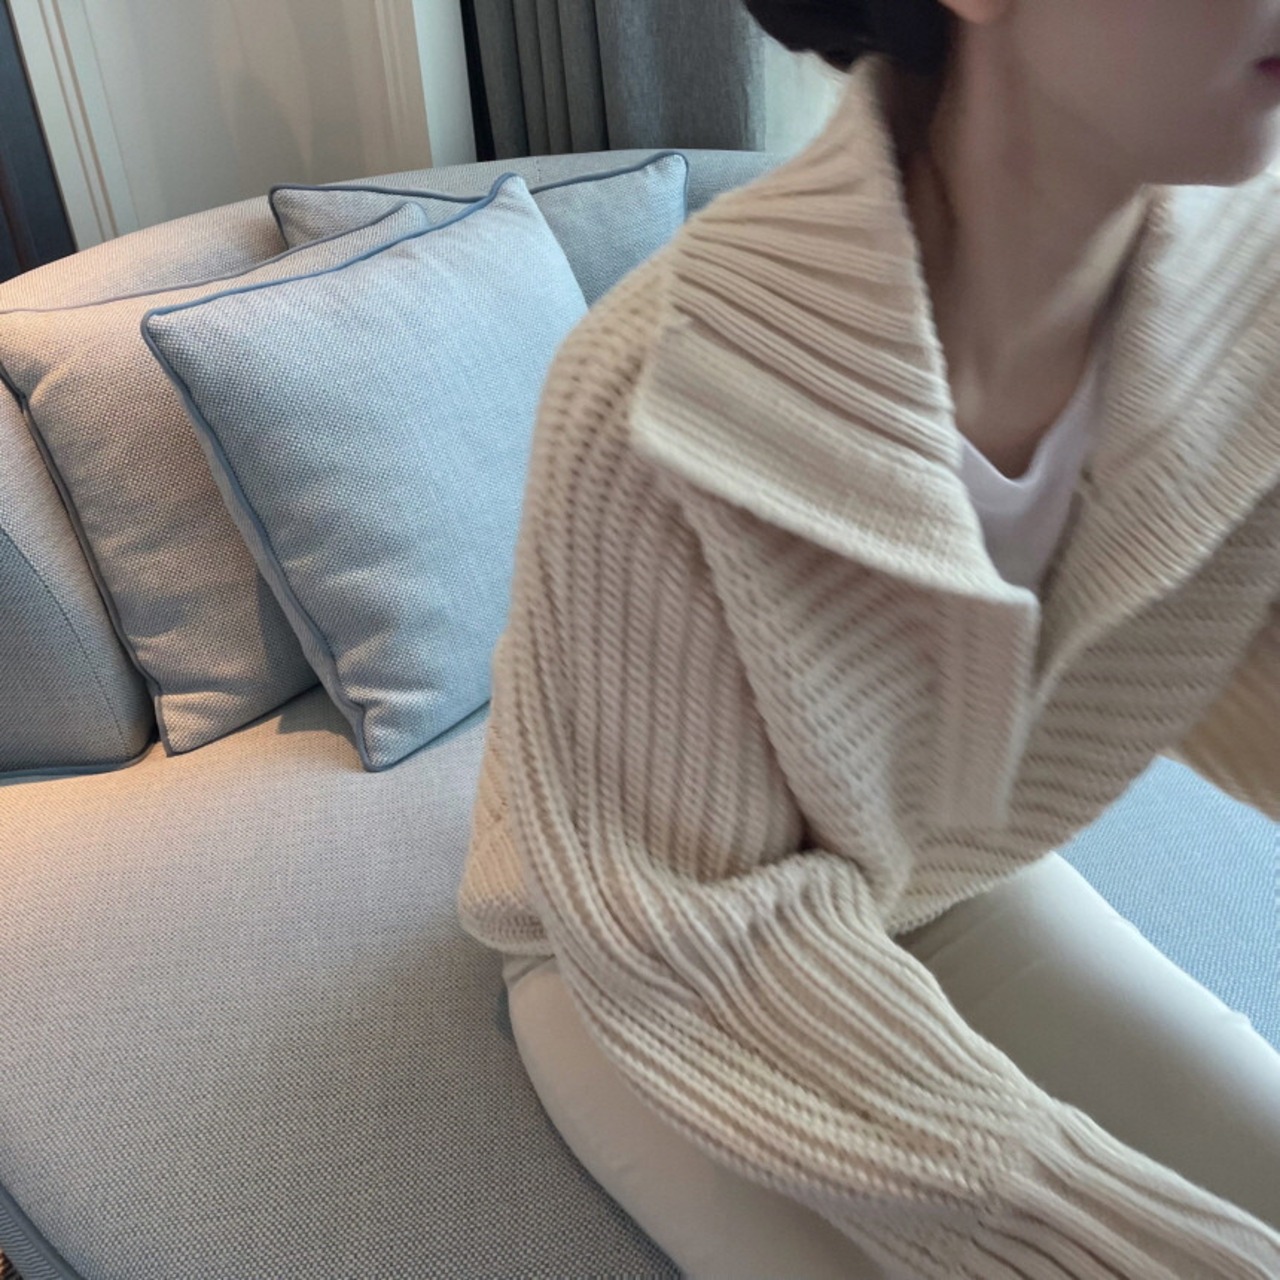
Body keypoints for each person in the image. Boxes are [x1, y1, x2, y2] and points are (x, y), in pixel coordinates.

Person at [457, 1, 1280, 1275]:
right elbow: (689, 932)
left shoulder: (1254, 315)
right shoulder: (657, 400)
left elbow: (1238, 642)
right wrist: (1096, 1233)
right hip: (643, 953)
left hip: (944, 870)